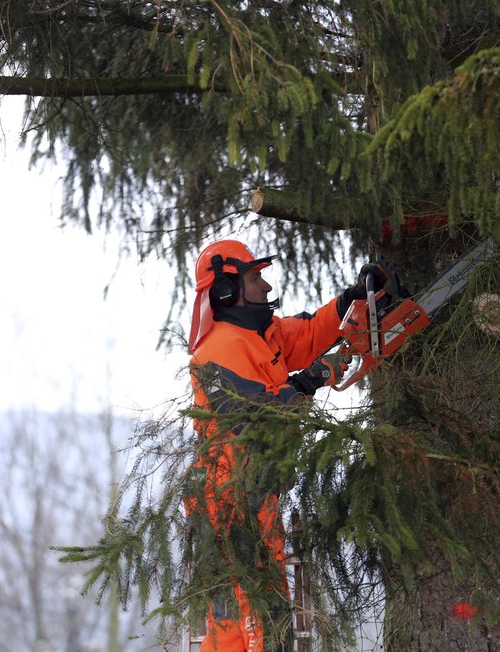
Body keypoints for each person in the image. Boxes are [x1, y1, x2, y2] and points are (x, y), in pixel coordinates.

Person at [186, 239, 392, 652]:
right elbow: (258, 414)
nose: (265, 285)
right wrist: (312, 379)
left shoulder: (265, 333)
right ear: (227, 290)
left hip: (258, 498)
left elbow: (312, 332)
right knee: (243, 631)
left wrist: (350, 300)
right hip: (228, 506)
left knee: (269, 625)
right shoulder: (219, 349)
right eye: (255, 277)